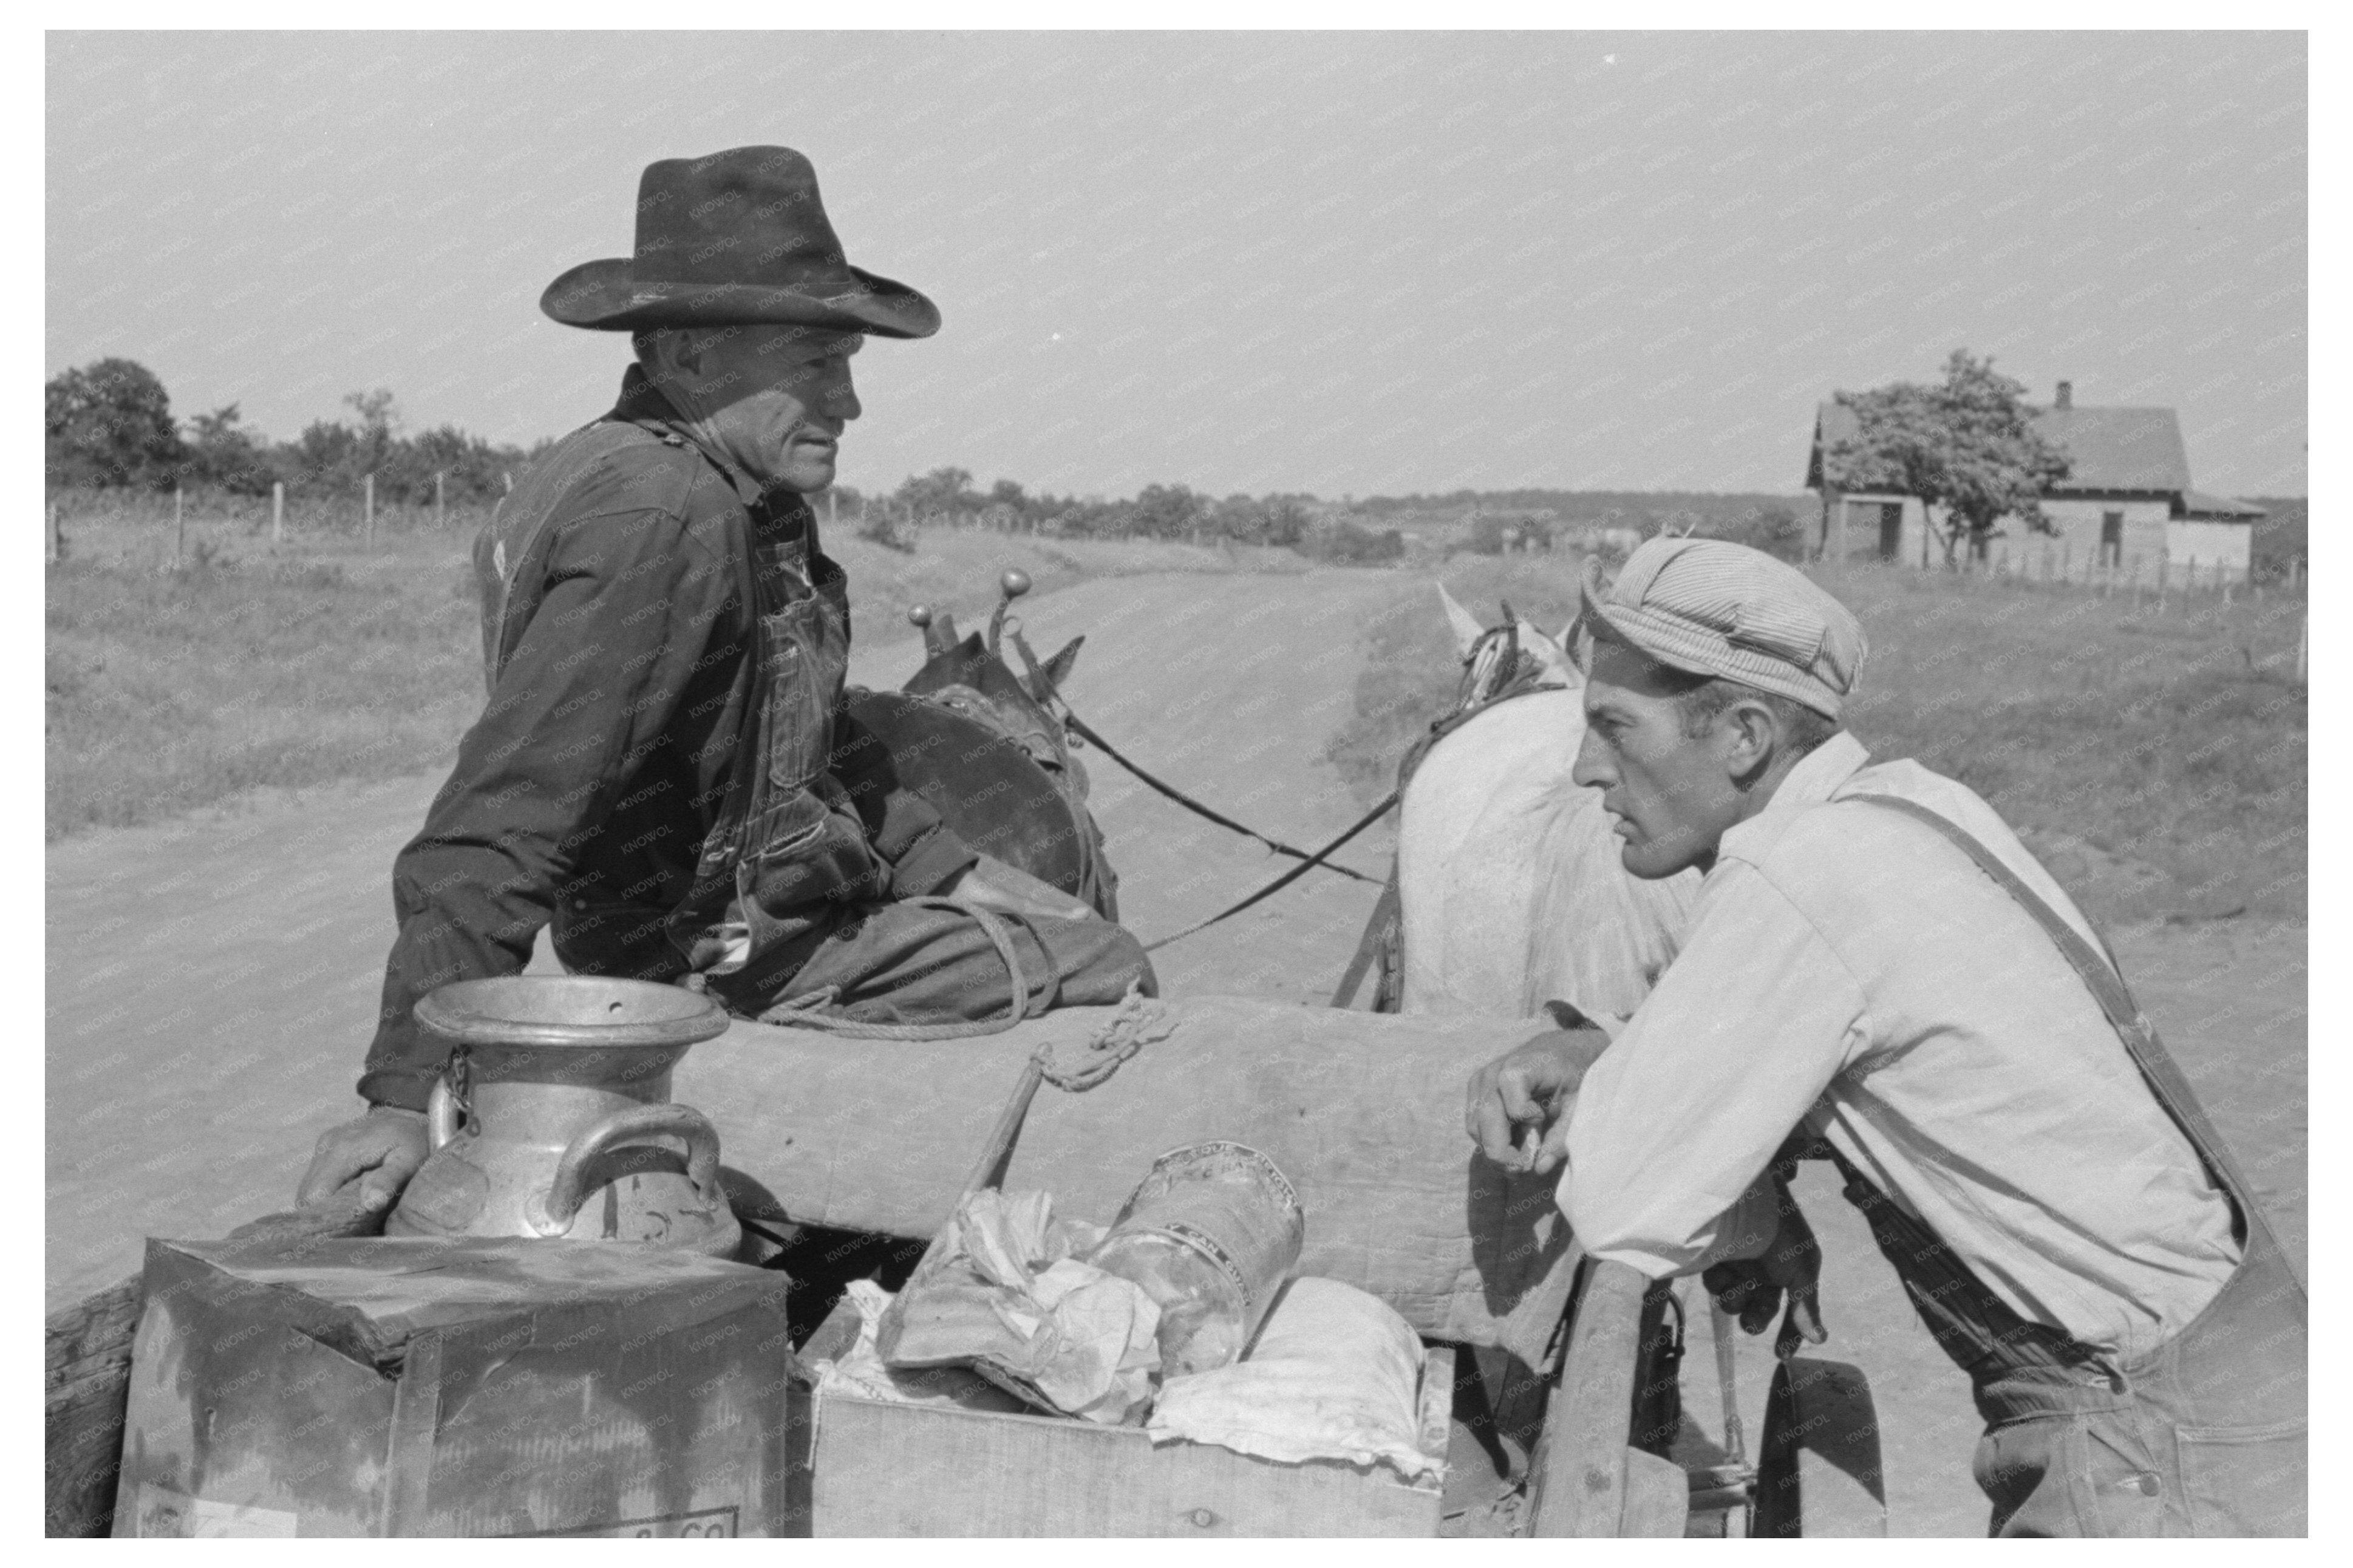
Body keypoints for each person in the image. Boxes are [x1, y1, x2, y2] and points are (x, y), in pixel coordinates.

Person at [299, 146, 1153, 1214]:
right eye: (815, 365)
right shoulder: (666, 520)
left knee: (1035, 907)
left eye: (848, 366)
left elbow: (809, 734)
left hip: (735, 919)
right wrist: (403, 1091)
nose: (849, 403)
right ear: (692, 357)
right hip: (736, 958)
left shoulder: (727, 491)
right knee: (1110, 961)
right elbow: (501, 816)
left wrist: (949, 868)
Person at [1464, 538, 2304, 1537]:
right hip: (2252, 1390)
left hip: (2154, 1449)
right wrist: (1608, 1048)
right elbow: (1850, 1030)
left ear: (1742, 734)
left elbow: (1620, 1195)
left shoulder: (1800, 872)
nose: (1583, 767)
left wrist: (1757, 1218)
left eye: (1614, 725)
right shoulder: (1914, 807)